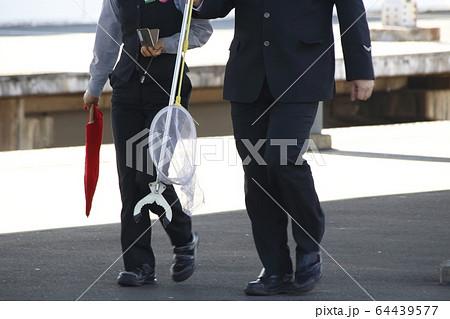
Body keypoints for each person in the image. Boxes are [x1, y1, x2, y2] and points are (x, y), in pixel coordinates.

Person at [193, 0, 374, 295]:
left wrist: (361, 69)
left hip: (302, 70)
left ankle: (308, 249)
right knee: (256, 171)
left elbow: (352, 11)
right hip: (248, 71)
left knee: (282, 159)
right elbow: (216, 5)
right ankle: (275, 269)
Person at [83, 0, 212, 287]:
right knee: (130, 179)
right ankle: (138, 265)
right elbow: (107, 35)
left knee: (149, 174)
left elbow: (202, 30)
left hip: (167, 90)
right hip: (127, 88)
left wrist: (165, 45)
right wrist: (95, 86)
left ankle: (183, 237)